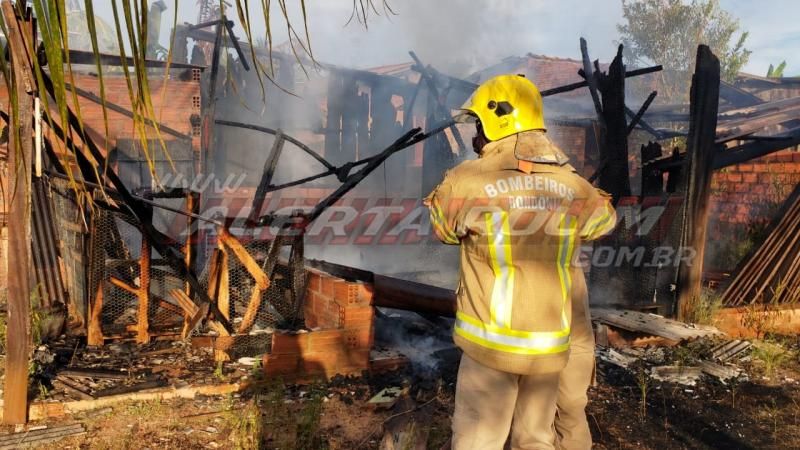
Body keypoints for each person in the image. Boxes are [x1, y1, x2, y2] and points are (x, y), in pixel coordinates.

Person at [425, 74, 616, 450]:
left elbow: (443, 230)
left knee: (478, 443)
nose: (476, 138)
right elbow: (602, 223)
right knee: (536, 441)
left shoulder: (467, 181)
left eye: (478, 126)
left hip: (490, 351)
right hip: (547, 350)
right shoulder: (573, 185)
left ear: (496, 122)